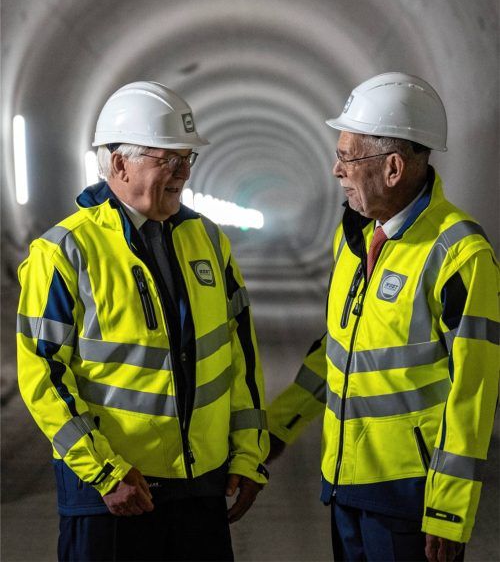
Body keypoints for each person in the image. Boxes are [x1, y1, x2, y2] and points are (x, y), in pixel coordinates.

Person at [17, 80, 269, 562]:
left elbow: (239, 355)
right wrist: (104, 472)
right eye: (167, 159)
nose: (183, 173)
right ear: (118, 164)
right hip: (112, 495)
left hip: (200, 486)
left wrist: (248, 453)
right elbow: (42, 377)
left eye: (188, 159)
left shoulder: (208, 241)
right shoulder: (63, 253)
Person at [267, 73, 499, 562]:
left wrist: (449, 508)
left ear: (393, 167)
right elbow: (336, 353)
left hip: (409, 498)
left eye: (348, 157)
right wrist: (278, 425)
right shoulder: (352, 241)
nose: (336, 170)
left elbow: (473, 392)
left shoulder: (459, 255)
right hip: (344, 483)